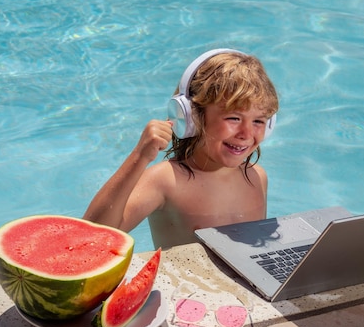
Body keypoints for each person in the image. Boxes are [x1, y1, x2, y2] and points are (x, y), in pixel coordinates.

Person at [84, 49, 279, 249]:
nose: (246, 134)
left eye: (258, 121)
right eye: (234, 118)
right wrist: (140, 156)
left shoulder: (256, 177)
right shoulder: (166, 180)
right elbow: (92, 237)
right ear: (192, 117)